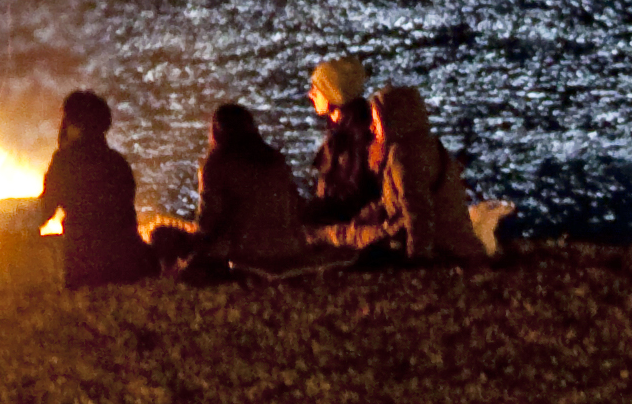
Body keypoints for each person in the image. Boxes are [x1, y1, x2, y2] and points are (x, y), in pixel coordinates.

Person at [319, 82, 488, 267]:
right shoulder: (424, 146)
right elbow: (395, 200)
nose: (372, 129)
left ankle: (315, 237)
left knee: (352, 237)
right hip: (440, 241)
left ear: (392, 121)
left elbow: (418, 210)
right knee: (353, 232)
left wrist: (417, 259)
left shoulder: (404, 155)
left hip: (440, 247)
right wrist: (366, 215)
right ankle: (320, 235)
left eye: (377, 122)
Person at [35, 90, 156, 288]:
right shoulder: (118, 162)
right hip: (128, 264)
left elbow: (45, 210)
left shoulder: (65, 161)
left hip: (86, 266)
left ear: (73, 124)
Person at [177, 101, 307, 272]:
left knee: (166, 238)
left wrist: (192, 243)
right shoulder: (274, 158)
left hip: (244, 251)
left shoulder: (217, 163)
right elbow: (295, 206)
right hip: (290, 248)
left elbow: (209, 220)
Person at [303, 55, 378, 228]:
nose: (311, 94)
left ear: (332, 93)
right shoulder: (341, 132)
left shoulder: (356, 138)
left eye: (317, 88)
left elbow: (353, 197)